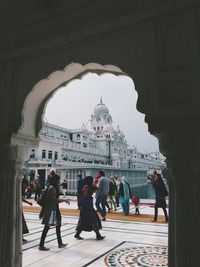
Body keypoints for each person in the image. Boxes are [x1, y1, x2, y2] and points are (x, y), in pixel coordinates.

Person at [38, 169, 70, 251]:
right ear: (55, 181)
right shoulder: (51, 188)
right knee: (47, 227)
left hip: (54, 209)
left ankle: (59, 243)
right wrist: (64, 200)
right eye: (58, 181)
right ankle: (41, 245)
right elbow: (54, 200)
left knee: (58, 224)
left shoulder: (52, 188)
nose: (59, 182)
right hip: (51, 210)